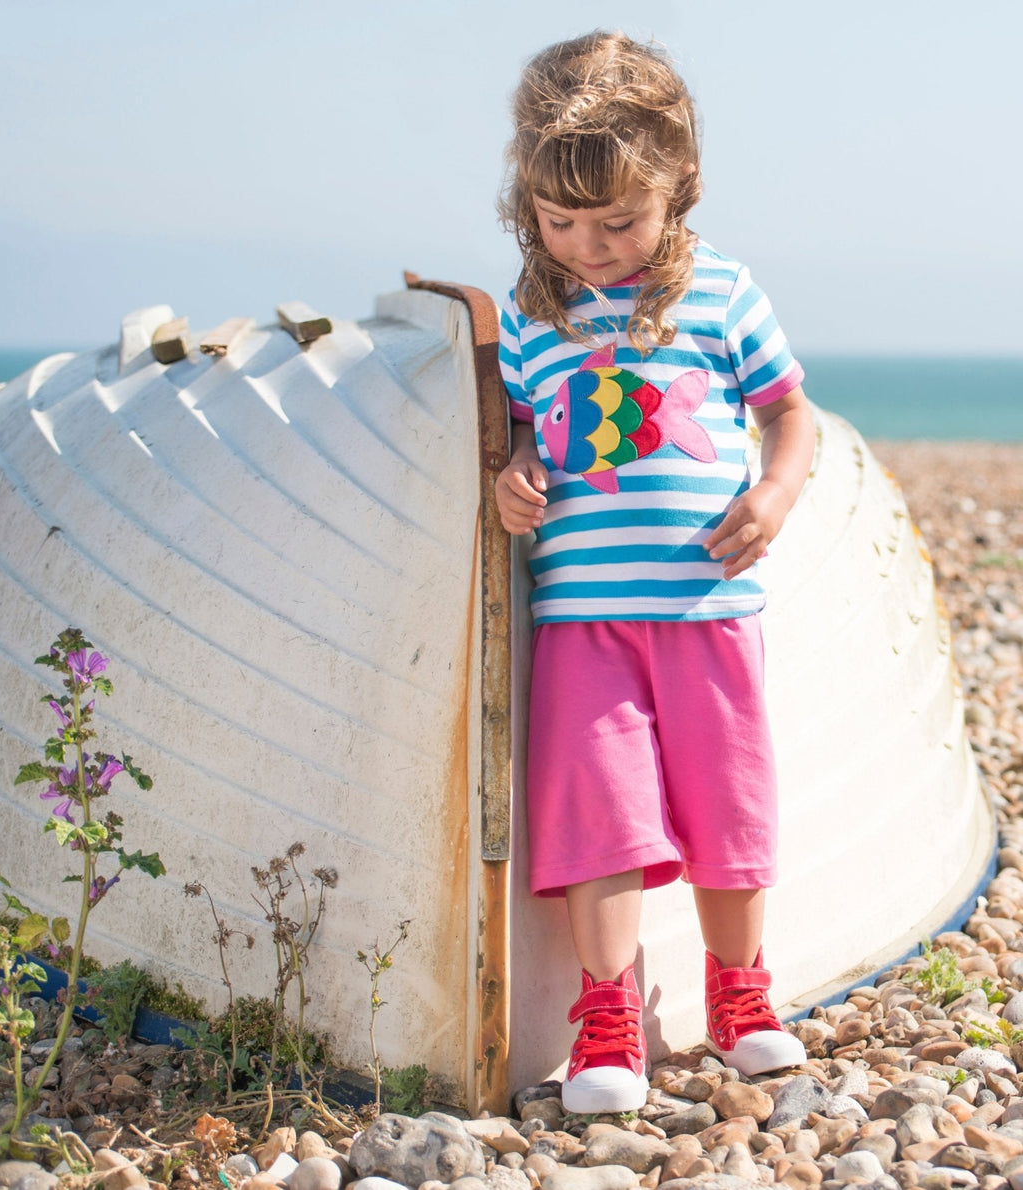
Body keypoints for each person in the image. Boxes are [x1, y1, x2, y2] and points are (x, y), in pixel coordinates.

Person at [495, 30, 816, 1114]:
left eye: (619, 219)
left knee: (728, 803)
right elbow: (532, 434)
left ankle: (740, 992)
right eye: (560, 222)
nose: (589, 245)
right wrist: (516, 475)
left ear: (674, 186)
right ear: (527, 204)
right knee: (599, 812)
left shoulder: (721, 292)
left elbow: (788, 414)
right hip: (582, 616)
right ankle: (606, 1014)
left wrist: (772, 495)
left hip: (707, 604)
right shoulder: (529, 319)